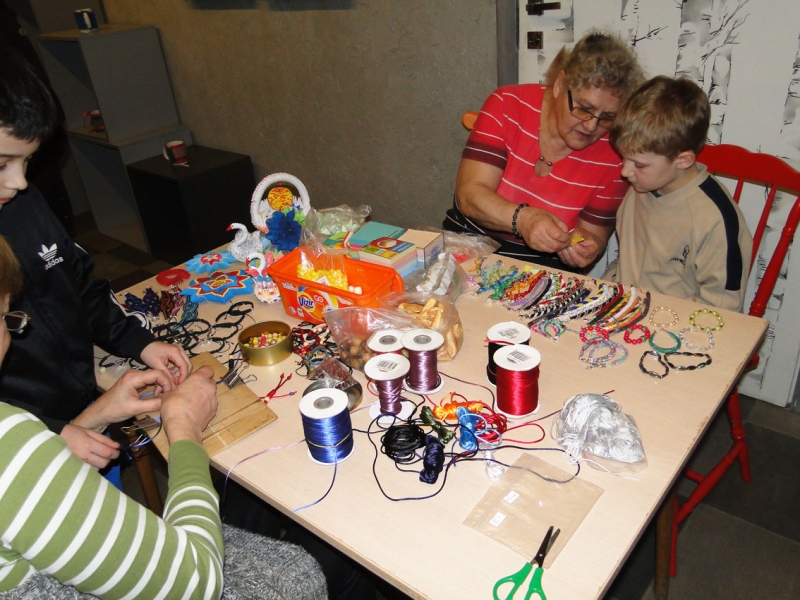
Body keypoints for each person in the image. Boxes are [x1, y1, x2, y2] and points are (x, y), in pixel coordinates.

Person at [0, 235, 328, 599]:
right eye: (6, 318)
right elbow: (196, 584)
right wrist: (185, 428)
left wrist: (94, 416)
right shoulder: (10, 442)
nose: (12, 335)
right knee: (314, 567)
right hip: (187, 580)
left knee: (248, 495)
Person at [0, 48, 192, 469]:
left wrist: (138, 342)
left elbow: (78, 286)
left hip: (82, 408)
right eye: (2, 164)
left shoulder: (22, 202)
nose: (19, 182)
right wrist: (50, 433)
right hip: (25, 446)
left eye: (26, 161)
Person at [444, 31, 644, 271]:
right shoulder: (508, 105)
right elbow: (469, 195)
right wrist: (522, 219)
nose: (592, 126)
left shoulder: (615, 154)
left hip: (545, 268)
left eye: (608, 117)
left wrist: (586, 246)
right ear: (560, 84)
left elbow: (595, 236)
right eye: (584, 108)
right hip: (471, 248)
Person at [603, 76, 753, 312]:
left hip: (675, 324)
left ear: (683, 161)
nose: (625, 171)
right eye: (624, 158)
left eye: (639, 164)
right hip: (624, 307)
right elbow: (627, 264)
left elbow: (723, 308)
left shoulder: (714, 218)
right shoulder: (642, 185)